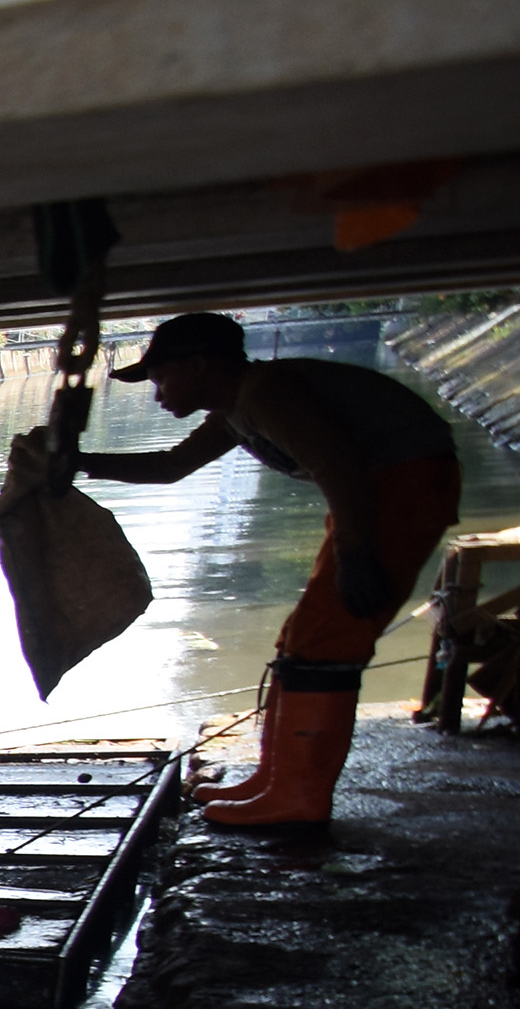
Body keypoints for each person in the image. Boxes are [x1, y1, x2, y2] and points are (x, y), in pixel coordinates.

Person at [69, 310, 461, 829]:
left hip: (401, 487)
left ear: (200, 364)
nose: (158, 394)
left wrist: (357, 552)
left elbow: (336, 462)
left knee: (325, 643)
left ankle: (299, 800)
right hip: (371, 494)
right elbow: (170, 467)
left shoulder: (265, 393)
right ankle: (274, 781)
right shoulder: (238, 405)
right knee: (300, 639)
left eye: (161, 378)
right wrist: (79, 462)